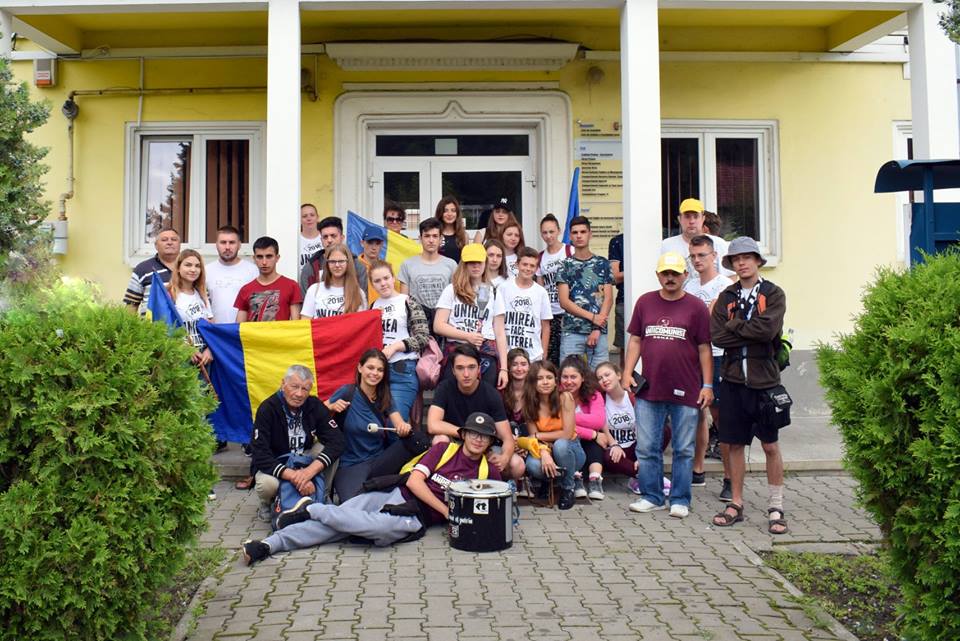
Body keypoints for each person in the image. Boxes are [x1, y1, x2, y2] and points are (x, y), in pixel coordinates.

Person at [241, 412, 501, 564]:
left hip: (413, 515)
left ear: (490, 442)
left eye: (484, 436)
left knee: (372, 529)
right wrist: (446, 511)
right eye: (473, 433)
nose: (478, 439)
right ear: (463, 434)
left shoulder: (489, 472)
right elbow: (414, 481)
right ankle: (269, 545)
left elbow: (496, 509)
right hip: (393, 492)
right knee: (340, 522)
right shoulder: (444, 449)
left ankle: (311, 509)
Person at [622, 252, 713, 519]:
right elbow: (635, 340)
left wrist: (707, 385)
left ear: (685, 275)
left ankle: (680, 499)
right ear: (658, 275)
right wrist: (626, 372)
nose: (670, 278)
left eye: (675, 273)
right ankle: (652, 496)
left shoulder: (696, 307)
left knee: (684, 448)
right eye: (665, 273)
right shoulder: (645, 302)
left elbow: (704, 348)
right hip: (650, 388)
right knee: (646, 447)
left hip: (687, 388)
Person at [709, 237, 789, 534]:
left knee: (770, 445)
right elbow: (717, 336)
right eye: (736, 259)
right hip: (732, 380)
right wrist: (747, 331)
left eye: (746, 257)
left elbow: (768, 330)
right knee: (734, 444)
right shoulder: (726, 296)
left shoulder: (773, 293)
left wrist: (735, 326)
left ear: (757, 260)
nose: (741, 263)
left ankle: (776, 506)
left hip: (765, 381)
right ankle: (736, 503)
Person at [249, 365, 345, 522]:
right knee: (267, 484)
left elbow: (337, 441)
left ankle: (322, 494)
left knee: (327, 448)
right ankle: (268, 502)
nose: (299, 394)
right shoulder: (267, 408)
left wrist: (309, 472)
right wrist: (295, 477)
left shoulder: (314, 405)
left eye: (305, 389)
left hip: (304, 461)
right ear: (283, 384)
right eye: (294, 387)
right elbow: (259, 453)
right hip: (278, 462)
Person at [324, 350, 413, 502]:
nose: (375, 373)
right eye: (370, 368)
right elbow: (317, 412)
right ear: (360, 368)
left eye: (380, 370)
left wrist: (404, 428)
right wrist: (332, 407)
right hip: (350, 464)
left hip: (380, 461)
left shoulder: (385, 397)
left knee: (417, 440)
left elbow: (399, 422)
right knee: (353, 504)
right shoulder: (347, 392)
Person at [684, 234, 734, 499]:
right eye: (693, 256)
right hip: (691, 357)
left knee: (720, 416)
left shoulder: (726, 286)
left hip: (717, 356)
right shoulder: (690, 286)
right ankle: (698, 469)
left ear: (714, 256)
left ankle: (729, 477)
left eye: (702, 255)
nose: (697, 260)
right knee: (697, 413)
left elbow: (719, 322)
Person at [427, 344, 522, 479]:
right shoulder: (445, 388)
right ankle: (445, 482)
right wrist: (466, 434)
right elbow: (433, 425)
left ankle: (502, 485)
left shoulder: (491, 394)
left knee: (517, 464)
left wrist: (504, 458)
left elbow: (507, 438)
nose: (466, 374)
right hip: (456, 444)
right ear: (453, 370)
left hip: (483, 446)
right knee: (440, 440)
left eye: (471, 367)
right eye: (460, 368)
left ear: (479, 369)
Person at [434, 243, 508, 389]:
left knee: (485, 397)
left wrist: (504, 368)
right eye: (471, 262)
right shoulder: (452, 290)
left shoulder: (493, 292)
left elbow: (500, 333)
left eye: (479, 262)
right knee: (453, 397)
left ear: (485, 263)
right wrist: (467, 336)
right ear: (464, 265)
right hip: (457, 350)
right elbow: (438, 325)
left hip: (486, 352)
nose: (475, 266)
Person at [369, 260, 429, 423]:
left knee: (395, 424)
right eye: (377, 281)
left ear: (393, 278)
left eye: (386, 278)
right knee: (377, 424)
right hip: (377, 373)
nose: (383, 283)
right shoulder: (372, 306)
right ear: (372, 285)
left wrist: (395, 347)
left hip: (402, 371)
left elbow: (423, 337)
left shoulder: (408, 302)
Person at [522, 360, 584, 510]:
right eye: (540, 378)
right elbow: (533, 437)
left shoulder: (565, 397)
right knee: (533, 465)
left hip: (570, 450)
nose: (545, 382)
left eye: (549, 378)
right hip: (546, 448)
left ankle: (568, 488)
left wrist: (538, 436)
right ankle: (548, 481)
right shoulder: (529, 402)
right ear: (533, 382)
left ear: (556, 381)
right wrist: (544, 453)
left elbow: (567, 434)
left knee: (560, 444)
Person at [557, 216, 613, 369]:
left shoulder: (603, 263)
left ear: (590, 234)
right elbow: (564, 301)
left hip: (598, 333)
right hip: (572, 331)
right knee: (569, 376)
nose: (579, 236)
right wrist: (592, 317)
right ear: (570, 236)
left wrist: (597, 327)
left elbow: (608, 299)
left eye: (583, 232)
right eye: (575, 232)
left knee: (601, 377)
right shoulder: (565, 265)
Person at [559, 355, 611, 500]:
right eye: (565, 377)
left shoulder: (593, 394)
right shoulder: (556, 394)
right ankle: (576, 478)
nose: (569, 381)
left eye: (573, 377)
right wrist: (592, 433)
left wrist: (568, 418)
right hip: (567, 439)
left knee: (595, 442)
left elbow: (598, 421)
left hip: (587, 442)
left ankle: (595, 479)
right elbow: (558, 425)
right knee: (584, 439)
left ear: (582, 378)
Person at [397, 217, 457, 331]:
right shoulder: (407, 264)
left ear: (441, 239)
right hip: (417, 323)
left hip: (445, 322)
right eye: (427, 236)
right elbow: (404, 300)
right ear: (420, 238)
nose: (431, 240)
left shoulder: (451, 264)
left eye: (435, 236)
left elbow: (456, 298)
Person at [494, 247, 552, 363]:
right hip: (507, 353)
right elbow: (497, 322)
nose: (528, 269)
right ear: (517, 264)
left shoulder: (541, 292)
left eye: (532, 266)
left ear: (537, 268)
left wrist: (543, 353)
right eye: (525, 264)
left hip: (533, 355)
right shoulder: (503, 288)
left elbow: (546, 327)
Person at [660, 198, 732, 284]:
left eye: (696, 216)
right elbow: (663, 276)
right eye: (687, 217)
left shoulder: (718, 244)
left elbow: (731, 276)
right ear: (679, 219)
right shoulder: (667, 245)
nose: (691, 221)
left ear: (703, 218)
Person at [235, 236, 302, 322]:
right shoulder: (245, 289)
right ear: (254, 259)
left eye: (269, 256)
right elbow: (238, 326)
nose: (264, 262)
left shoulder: (291, 286)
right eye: (259, 257)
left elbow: (296, 324)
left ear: (277, 258)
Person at [167, 249, 214, 368]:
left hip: (204, 357)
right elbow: (164, 328)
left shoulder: (202, 294)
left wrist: (210, 349)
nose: (193, 270)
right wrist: (185, 348)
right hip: (181, 356)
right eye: (188, 265)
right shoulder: (169, 294)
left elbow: (211, 325)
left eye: (197, 266)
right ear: (178, 268)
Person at [536, 214, 572, 366]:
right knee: (551, 358)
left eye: (551, 231)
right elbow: (540, 288)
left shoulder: (570, 251)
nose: (548, 236)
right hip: (550, 314)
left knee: (569, 357)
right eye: (545, 232)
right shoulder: (540, 257)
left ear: (559, 230)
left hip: (569, 312)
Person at [205, 225, 259, 324]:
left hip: (244, 329)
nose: (227, 247)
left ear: (239, 245)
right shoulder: (206, 271)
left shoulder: (253, 271)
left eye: (232, 242)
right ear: (216, 245)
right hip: (215, 330)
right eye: (223, 242)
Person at [124, 228, 181, 315]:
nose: (169, 242)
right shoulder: (142, 269)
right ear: (156, 245)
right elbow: (131, 305)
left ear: (179, 244)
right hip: (151, 323)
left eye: (174, 239)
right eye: (164, 240)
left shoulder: (191, 268)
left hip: (185, 323)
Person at [301, 243, 367, 319]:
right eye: (332, 261)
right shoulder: (314, 290)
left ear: (348, 263)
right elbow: (305, 321)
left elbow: (362, 323)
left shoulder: (359, 293)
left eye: (341, 261)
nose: (337, 265)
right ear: (327, 264)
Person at [299, 216, 345, 294]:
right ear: (321, 240)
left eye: (333, 236)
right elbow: (305, 299)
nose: (329, 240)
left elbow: (361, 296)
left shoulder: (355, 264)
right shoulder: (310, 267)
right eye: (325, 237)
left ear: (342, 238)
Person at [354, 226, 386, 305]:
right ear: (362, 243)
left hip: (381, 310)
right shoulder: (353, 266)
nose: (374, 247)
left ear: (382, 244)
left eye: (377, 243)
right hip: (360, 310)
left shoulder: (386, 268)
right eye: (370, 242)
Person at [607, 232, 625, 368]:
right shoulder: (618, 241)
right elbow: (614, 277)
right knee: (626, 348)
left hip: (656, 300)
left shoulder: (657, 236)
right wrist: (642, 267)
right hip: (625, 300)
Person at [501, 348, 530, 429]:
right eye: (514, 364)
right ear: (508, 367)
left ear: (529, 367)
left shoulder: (535, 391)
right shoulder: (501, 390)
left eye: (523, 364)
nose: (519, 369)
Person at [436, 196, 467, 263]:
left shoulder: (463, 235)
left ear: (457, 213)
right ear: (440, 213)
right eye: (445, 211)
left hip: (457, 269)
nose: (449, 214)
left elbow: (465, 260)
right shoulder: (435, 234)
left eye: (453, 210)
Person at [299, 203, 324, 272]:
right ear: (299, 219)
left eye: (312, 215)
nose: (309, 219)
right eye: (304, 216)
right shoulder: (296, 240)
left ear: (317, 217)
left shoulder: (326, 237)